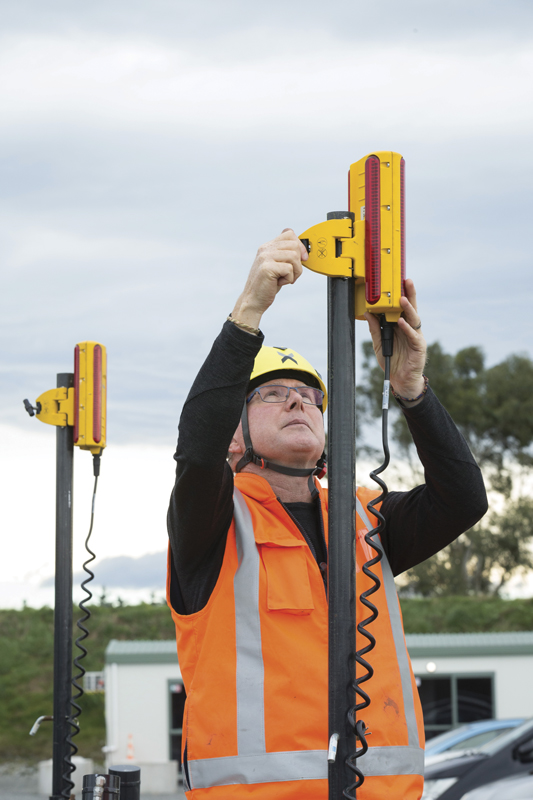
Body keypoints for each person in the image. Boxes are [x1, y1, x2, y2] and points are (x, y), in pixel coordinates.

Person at [166, 229, 488, 799]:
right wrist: (248, 312)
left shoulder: (368, 521)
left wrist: (411, 389)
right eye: (271, 394)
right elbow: (196, 448)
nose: (298, 401)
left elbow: (464, 499)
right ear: (234, 435)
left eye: (309, 396)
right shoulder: (213, 522)